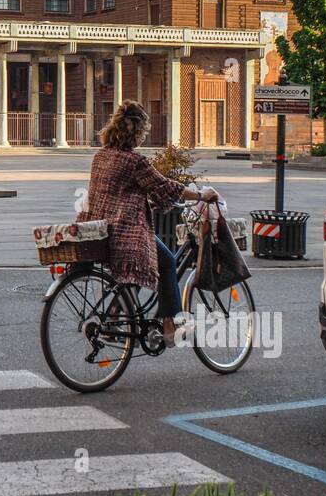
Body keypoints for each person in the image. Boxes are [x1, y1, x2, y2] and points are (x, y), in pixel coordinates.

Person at [77, 100, 219, 342]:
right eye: (143, 133)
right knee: (166, 262)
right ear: (136, 132)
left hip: (99, 229)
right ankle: (169, 326)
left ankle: (114, 316)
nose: (143, 138)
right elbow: (163, 186)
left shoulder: (100, 156)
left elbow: (119, 191)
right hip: (126, 232)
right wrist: (199, 195)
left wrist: (146, 201)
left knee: (136, 270)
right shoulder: (134, 162)